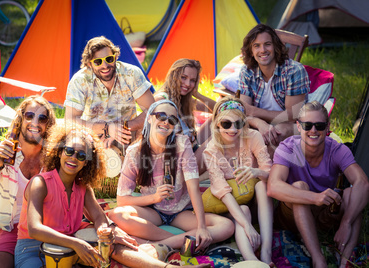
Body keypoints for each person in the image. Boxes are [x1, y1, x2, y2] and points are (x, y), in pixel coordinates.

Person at [14, 123, 210, 268]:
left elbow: (100, 217)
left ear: (86, 163)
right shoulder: (40, 183)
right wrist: (78, 243)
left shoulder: (83, 187)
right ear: (59, 152)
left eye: (81, 156)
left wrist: (105, 233)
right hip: (33, 248)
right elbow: (34, 228)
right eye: (70, 151)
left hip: (72, 243)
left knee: (111, 245)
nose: (74, 158)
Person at [108, 100, 234, 252]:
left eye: (172, 119)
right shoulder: (135, 152)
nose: (166, 122)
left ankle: (157, 244)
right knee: (117, 215)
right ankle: (171, 240)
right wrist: (154, 198)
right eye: (161, 116)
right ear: (149, 118)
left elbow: (193, 187)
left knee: (226, 226)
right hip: (153, 210)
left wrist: (201, 227)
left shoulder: (182, 144)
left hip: (181, 212)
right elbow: (122, 200)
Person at [268, 101, 369, 268]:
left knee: (353, 194)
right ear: (298, 126)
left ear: (327, 127)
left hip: (325, 213)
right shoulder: (288, 148)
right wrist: (314, 197)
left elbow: (363, 183)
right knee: (299, 186)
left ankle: (345, 260)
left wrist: (346, 222)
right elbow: (273, 187)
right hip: (292, 215)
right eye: (307, 125)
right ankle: (318, 260)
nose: (313, 131)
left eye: (319, 125)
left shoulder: (337, 149)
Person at [0, 95, 56, 268]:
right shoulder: (1, 155)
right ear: (20, 119)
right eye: (29, 115)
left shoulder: (53, 159)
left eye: (42, 118)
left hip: (47, 226)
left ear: (48, 125)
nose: (35, 122)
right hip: (10, 228)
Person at [203, 96, 273, 265]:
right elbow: (222, 191)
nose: (233, 129)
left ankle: (266, 252)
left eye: (239, 124)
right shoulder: (211, 150)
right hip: (226, 205)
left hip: (253, 200)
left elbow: (270, 173)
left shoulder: (253, 136)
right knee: (243, 211)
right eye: (226, 124)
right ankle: (251, 260)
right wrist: (247, 226)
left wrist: (256, 171)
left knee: (262, 186)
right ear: (217, 125)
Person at [64, 36, 155, 148]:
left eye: (109, 59)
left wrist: (121, 128)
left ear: (115, 57)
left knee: (153, 129)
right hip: (93, 136)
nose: (105, 65)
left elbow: (152, 109)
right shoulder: (79, 80)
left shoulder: (131, 73)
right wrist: (108, 128)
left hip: (128, 132)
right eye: (98, 62)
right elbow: (69, 120)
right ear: (89, 64)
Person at [238, 24, 310, 153]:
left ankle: (260, 171)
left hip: (294, 125)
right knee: (218, 123)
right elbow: (243, 111)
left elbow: (292, 115)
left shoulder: (294, 71)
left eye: (267, 44)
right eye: (256, 46)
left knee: (274, 135)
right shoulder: (247, 71)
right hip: (260, 123)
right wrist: (260, 123)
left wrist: (254, 112)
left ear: (275, 47)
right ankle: (193, 169)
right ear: (251, 51)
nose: (263, 50)